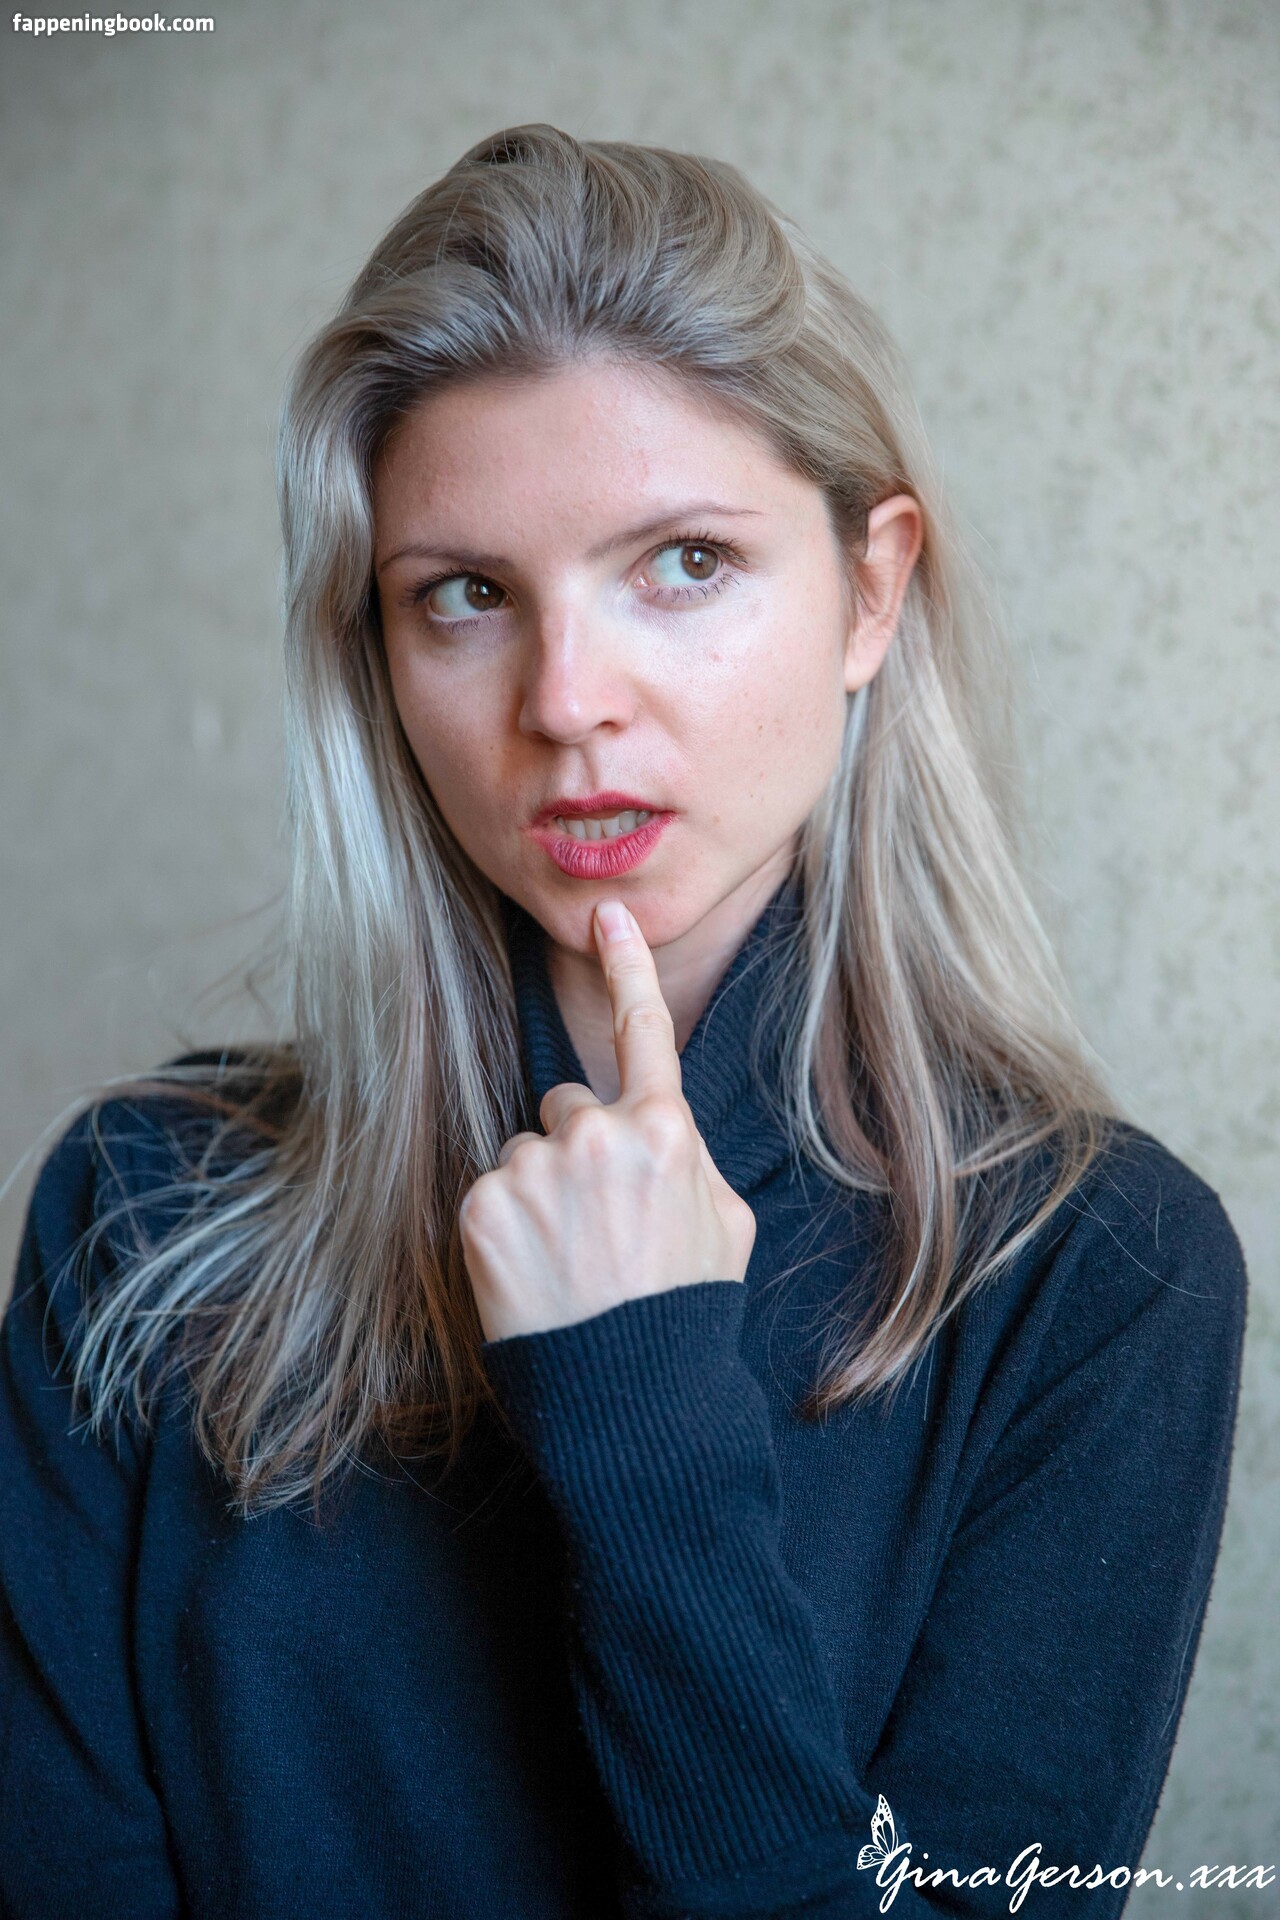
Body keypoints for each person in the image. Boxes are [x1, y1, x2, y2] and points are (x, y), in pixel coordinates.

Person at [0, 125, 1247, 1920]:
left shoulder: (1097, 1275)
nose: (568, 701)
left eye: (682, 563)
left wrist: (644, 1415)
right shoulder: (141, 1215)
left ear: (871, 589)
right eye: (465, 595)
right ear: (381, 657)